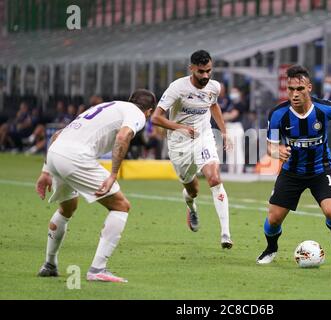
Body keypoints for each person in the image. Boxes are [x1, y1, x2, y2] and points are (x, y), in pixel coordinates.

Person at [35, 89, 156, 283]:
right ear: (149, 111)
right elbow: (123, 136)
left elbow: (58, 134)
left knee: (67, 207)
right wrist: (114, 174)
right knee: (121, 206)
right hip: (76, 157)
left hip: (55, 153)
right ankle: (97, 269)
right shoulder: (137, 114)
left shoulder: (108, 105)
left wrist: (45, 171)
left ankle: (49, 264)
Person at [256, 65, 331, 265]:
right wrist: (277, 151)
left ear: (309, 87)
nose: (295, 94)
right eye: (290, 89)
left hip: (321, 167)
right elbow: (270, 146)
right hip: (292, 171)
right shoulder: (278, 114)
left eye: (299, 89)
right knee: (274, 219)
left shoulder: (324, 108)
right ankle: (271, 248)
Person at [151, 50, 233, 249]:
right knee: (193, 190)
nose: (206, 76)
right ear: (192, 69)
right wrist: (182, 128)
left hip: (203, 137)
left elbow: (213, 106)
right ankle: (191, 207)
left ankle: (225, 234)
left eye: (209, 71)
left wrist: (224, 131)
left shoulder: (214, 87)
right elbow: (156, 117)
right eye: (201, 72)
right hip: (179, 142)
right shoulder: (177, 88)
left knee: (214, 178)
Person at [223, 87, 247, 174]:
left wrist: (225, 116)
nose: (233, 93)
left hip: (236, 128)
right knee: (230, 150)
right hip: (228, 127)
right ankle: (231, 171)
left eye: (235, 92)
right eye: (232, 92)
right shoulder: (230, 104)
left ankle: (239, 171)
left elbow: (232, 115)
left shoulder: (240, 104)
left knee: (238, 150)